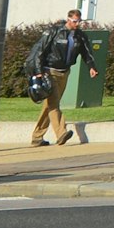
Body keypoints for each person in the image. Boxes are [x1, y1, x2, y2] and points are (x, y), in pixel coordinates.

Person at [27, 11, 95, 149]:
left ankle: (37, 137)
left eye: (79, 21)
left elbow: (87, 53)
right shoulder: (55, 32)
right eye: (75, 21)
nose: (77, 24)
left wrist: (91, 67)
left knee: (50, 105)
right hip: (49, 71)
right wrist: (39, 72)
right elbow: (40, 51)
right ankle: (61, 133)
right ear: (68, 19)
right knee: (53, 102)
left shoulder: (80, 36)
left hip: (64, 72)